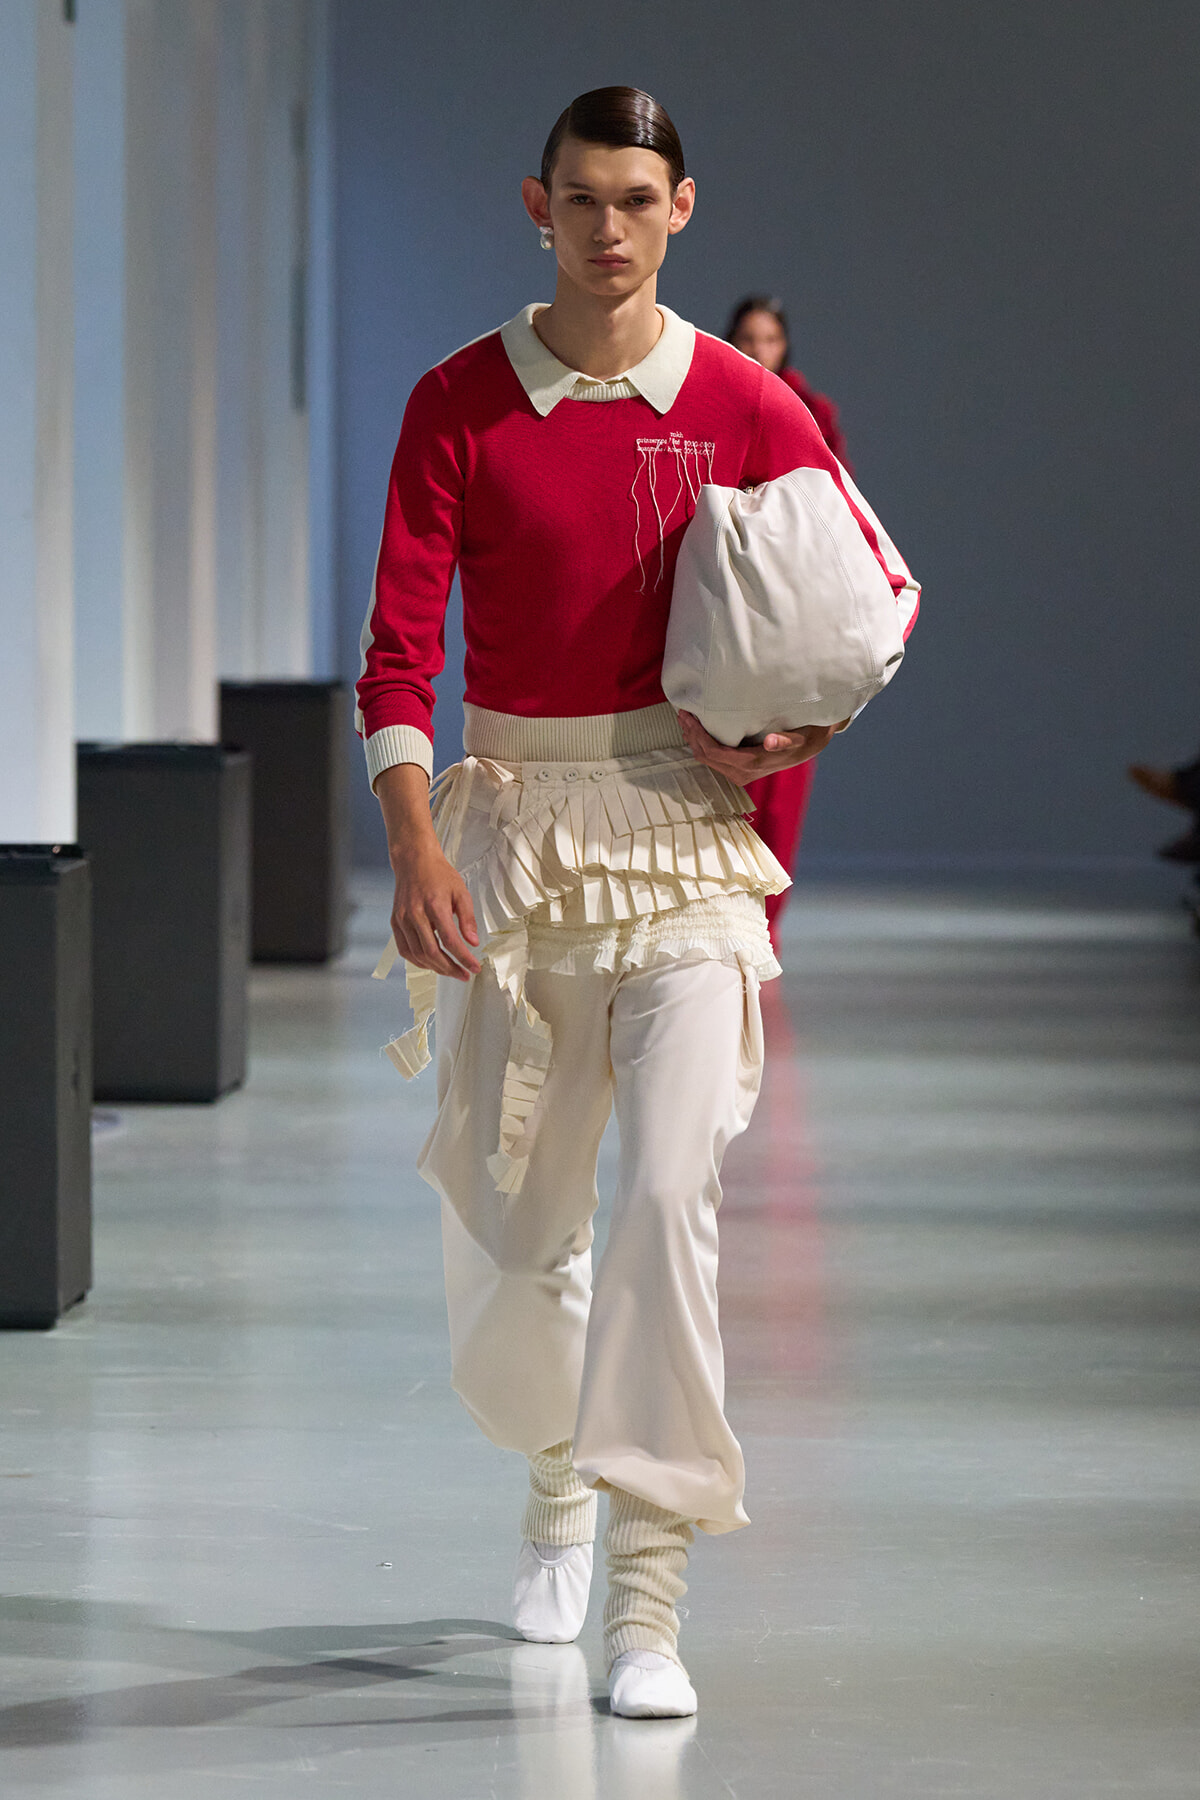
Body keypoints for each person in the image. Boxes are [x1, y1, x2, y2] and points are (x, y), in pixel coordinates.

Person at [356, 87, 919, 1720]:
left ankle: (650, 1596)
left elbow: (872, 581)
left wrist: (820, 714)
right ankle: (556, 1477)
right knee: (519, 1253)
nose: (610, 226)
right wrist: (411, 842)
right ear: (538, 204)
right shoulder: (459, 401)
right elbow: (399, 649)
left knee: (671, 1197)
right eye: (582, 197)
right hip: (516, 837)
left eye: (639, 198)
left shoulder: (742, 403)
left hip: (681, 844)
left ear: (683, 208)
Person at [727, 294, 854, 943]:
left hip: (797, 605)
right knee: (726, 755)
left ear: (785, 346)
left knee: (790, 766)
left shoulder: (814, 415)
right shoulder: (714, 402)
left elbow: (837, 508)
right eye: (747, 338)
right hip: (731, 605)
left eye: (769, 339)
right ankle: (732, 913)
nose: (757, 350)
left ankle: (767, 922)